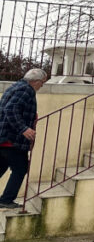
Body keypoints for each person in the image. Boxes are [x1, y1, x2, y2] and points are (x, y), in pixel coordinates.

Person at [0, 68, 46, 209]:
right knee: (20, 168)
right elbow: (10, 109)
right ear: (36, 81)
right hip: (12, 140)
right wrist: (23, 129)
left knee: (1, 166)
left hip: (4, 137)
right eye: (42, 83)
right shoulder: (26, 90)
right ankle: (6, 200)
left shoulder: (15, 87)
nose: (42, 86)